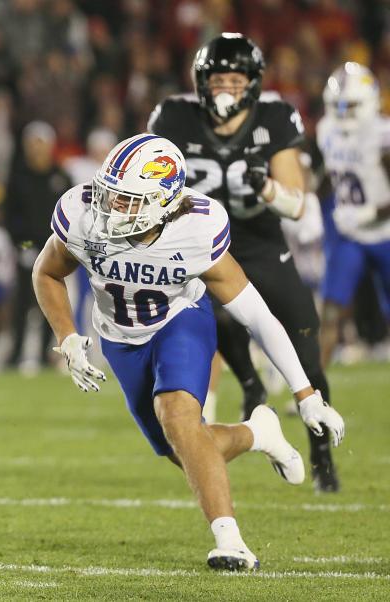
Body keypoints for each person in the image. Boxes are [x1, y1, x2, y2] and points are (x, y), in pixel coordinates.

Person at [33, 133, 346, 570]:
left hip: (180, 321)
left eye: (126, 200)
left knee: (178, 416)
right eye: (108, 193)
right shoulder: (82, 215)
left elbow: (257, 316)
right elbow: (47, 271)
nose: (109, 207)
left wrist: (306, 394)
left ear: (162, 202)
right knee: (179, 447)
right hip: (119, 338)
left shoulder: (195, 231)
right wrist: (67, 337)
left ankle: (231, 541)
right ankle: (258, 434)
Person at [148, 33, 340, 493]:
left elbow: (297, 204)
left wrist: (269, 189)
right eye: (218, 80)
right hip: (204, 247)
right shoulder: (174, 117)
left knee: (306, 349)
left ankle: (322, 458)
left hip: (260, 244)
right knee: (208, 322)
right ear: (201, 82)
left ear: (252, 84)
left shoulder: (273, 117)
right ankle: (250, 384)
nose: (226, 90)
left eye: (236, 80)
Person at [315, 62, 390, 366]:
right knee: (330, 309)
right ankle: (313, 389)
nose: (344, 112)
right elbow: (329, 177)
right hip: (350, 235)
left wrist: (368, 213)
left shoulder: (382, 135)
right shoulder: (326, 130)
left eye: (352, 105)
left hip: (386, 232)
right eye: (339, 105)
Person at [3, 121, 72, 369]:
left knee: (52, 302)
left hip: (55, 251)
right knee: (22, 302)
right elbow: (10, 216)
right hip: (27, 248)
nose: (36, 149)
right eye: (31, 144)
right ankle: (16, 351)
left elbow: (72, 214)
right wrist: (24, 245)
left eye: (39, 143)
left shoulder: (61, 176)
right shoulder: (17, 177)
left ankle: (46, 352)